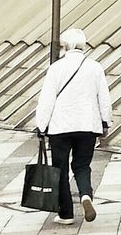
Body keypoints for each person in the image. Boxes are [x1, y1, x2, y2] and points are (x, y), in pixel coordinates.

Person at [34, 27, 112, 224]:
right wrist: (105, 122)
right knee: (82, 165)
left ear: (65, 46)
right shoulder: (95, 67)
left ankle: (66, 213)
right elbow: (104, 98)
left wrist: (41, 126)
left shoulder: (56, 68)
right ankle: (86, 195)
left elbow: (47, 100)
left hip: (60, 127)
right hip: (87, 125)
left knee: (60, 169)